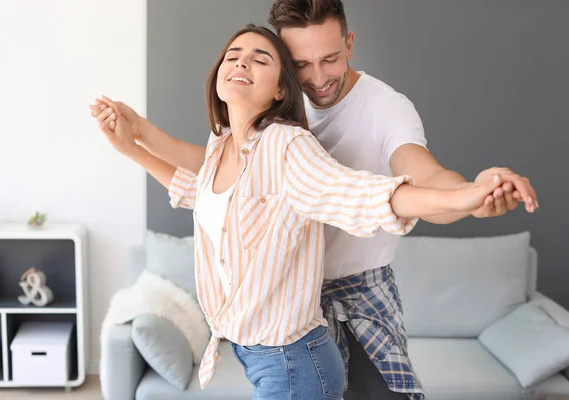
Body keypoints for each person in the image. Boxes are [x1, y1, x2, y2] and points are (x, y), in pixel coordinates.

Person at [91, 23, 525, 400]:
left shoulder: (288, 145)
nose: (241, 63)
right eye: (234, 55)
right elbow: (198, 191)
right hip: (257, 355)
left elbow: (359, 193)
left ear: (281, 87)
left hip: (291, 364)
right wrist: (134, 144)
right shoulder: (221, 142)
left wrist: (465, 196)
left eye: (260, 59)